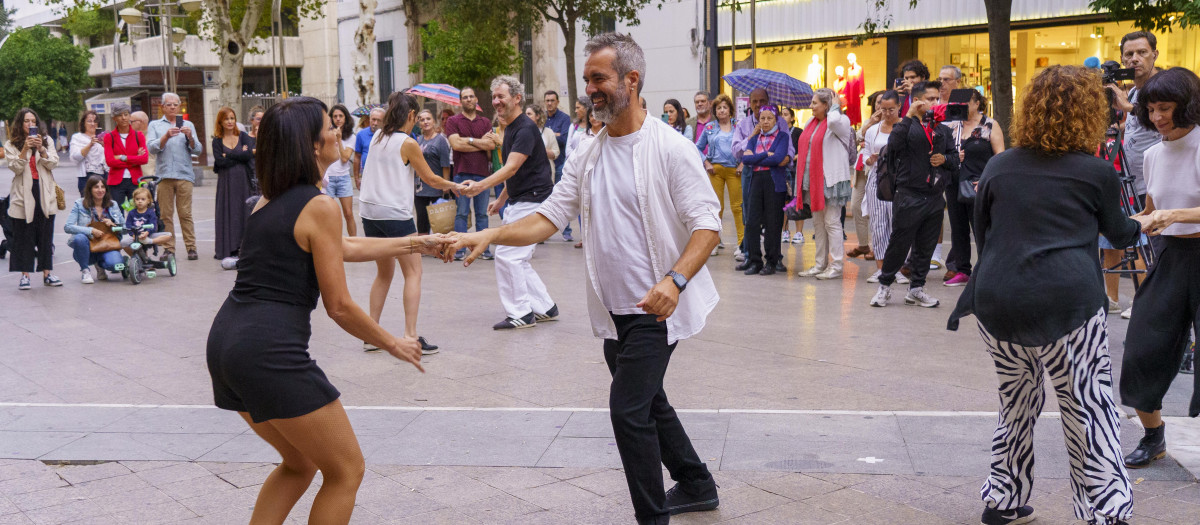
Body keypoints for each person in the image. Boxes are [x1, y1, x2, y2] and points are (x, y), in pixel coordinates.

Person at [447, 33, 720, 525]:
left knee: (628, 411)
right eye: (587, 80)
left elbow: (708, 225)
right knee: (649, 400)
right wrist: (491, 234)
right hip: (613, 313)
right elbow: (550, 215)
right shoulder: (589, 152)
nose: (589, 90)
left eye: (599, 79)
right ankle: (697, 483)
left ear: (631, 81)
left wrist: (674, 281)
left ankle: (652, 518)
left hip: (655, 310)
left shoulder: (671, 149)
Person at [206, 96, 448, 525]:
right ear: (311, 145)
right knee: (346, 470)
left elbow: (342, 247)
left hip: (227, 345)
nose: (338, 131)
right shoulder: (318, 204)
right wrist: (393, 342)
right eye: (329, 128)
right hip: (269, 352)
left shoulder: (272, 199)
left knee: (299, 464)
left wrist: (416, 242)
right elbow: (338, 306)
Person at [947, 65, 1145, 525]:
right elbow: (1118, 235)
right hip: (1067, 301)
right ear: (1089, 112)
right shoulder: (1096, 172)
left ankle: (1003, 499)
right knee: (1087, 405)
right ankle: (1104, 511)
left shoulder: (999, 164)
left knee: (1015, 399)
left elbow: (984, 232)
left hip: (998, 298)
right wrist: (1145, 223)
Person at [1119, 67, 1200, 472]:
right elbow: (1151, 213)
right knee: (1142, 347)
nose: (1157, 118)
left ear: (1187, 106)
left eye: (1165, 108)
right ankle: (1153, 437)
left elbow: (1169, 212)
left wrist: (1174, 214)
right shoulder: (1152, 154)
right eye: (1150, 110)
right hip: (1171, 256)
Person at [360, 92, 465, 355]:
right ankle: (410, 336)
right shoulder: (407, 142)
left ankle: (371, 334)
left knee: (384, 273)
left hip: (370, 213)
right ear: (410, 115)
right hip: (395, 214)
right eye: (416, 117)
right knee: (414, 273)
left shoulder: (376, 136)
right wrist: (454, 185)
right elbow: (430, 178)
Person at [457, 75, 559, 330]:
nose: (496, 101)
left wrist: (480, 186)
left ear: (516, 98)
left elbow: (512, 167)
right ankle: (545, 307)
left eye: (501, 96)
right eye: (494, 97)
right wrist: (502, 199)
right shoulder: (510, 127)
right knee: (517, 256)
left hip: (533, 200)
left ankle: (522, 314)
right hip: (521, 199)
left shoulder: (524, 128)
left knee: (507, 255)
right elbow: (517, 170)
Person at [870, 80, 957, 307]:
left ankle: (916, 288)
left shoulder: (942, 129)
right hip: (909, 195)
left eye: (937, 98)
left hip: (935, 197)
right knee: (899, 244)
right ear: (917, 100)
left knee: (926, 247)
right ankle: (884, 286)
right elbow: (894, 145)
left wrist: (945, 159)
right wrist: (908, 115)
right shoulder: (906, 126)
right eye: (930, 98)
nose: (935, 102)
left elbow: (955, 159)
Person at [1107, 31, 1164, 320]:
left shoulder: (1165, 86)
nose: (1135, 59)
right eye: (1129, 54)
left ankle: (1159, 313)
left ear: (1155, 53)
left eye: (1141, 52)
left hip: (1160, 184)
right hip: (1134, 181)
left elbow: (1169, 121)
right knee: (1144, 248)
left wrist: (1129, 108)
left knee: (1161, 250)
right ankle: (1148, 306)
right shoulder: (1132, 91)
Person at [943, 90, 1004, 287]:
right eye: (957, 103)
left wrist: (988, 180)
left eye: (966, 103)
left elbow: (999, 157)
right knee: (958, 228)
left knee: (982, 228)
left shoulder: (990, 125)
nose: (961, 106)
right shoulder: (950, 125)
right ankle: (962, 270)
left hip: (980, 184)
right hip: (954, 183)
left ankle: (987, 269)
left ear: (977, 103)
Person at [795, 88, 854, 280]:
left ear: (826, 105)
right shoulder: (810, 123)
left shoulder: (841, 122)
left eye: (814, 103)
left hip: (831, 180)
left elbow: (834, 120)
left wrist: (836, 107)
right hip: (812, 180)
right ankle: (820, 264)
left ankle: (836, 265)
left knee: (832, 223)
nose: (811, 107)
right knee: (819, 224)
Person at [732, 88, 795, 264]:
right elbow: (738, 153)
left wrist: (787, 158)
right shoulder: (744, 124)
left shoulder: (780, 122)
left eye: (762, 101)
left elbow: (786, 148)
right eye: (755, 101)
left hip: (775, 174)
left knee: (773, 218)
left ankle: (775, 258)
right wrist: (752, 137)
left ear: (768, 101)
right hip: (750, 175)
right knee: (750, 216)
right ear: (749, 103)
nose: (759, 105)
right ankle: (750, 256)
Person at [6, 108, 63, 289]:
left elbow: (54, 163)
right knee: (24, 236)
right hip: (23, 194)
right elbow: (15, 167)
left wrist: (41, 149)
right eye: (26, 121)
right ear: (20, 124)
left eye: (33, 121)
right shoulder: (11, 144)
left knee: (45, 235)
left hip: (44, 192)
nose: (30, 125)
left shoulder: (47, 141)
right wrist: (24, 149)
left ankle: (47, 273)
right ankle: (25, 276)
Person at [860, 91, 909, 285]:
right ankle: (881, 268)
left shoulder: (906, 127)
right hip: (878, 179)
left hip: (901, 180)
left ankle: (897, 268)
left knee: (899, 224)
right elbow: (865, 153)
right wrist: (869, 159)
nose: (887, 113)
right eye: (883, 109)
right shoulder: (873, 130)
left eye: (891, 109)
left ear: (899, 108)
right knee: (879, 225)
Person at [147, 92, 203, 260]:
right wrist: (165, 136)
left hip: (184, 174)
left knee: (185, 213)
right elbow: (151, 148)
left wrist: (190, 138)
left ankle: (191, 248)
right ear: (162, 107)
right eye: (168, 104)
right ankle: (169, 249)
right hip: (164, 175)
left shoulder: (188, 124)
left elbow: (198, 150)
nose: (172, 107)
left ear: (180, 106)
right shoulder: (155, 125)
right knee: (165, 214)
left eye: (175, 104)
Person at [445, 87, 498, 261]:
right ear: (460, 101)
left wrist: (466, 139)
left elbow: (491, 146)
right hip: (461, 174)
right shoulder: (453, 121)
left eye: (471, 96)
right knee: (461, 213)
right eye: (464, 97)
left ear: (476, 99)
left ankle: (483, 249)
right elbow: (456, 145)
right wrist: (478, 142)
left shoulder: (485, 122)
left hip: (482, 175)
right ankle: (459, 249)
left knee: (482, 213)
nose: (468, 99)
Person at [696, 94, 742, 256]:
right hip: (715, 171)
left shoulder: (739, 126)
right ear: (715, 111)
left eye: (725, 107)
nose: (722, 110)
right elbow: (697, 148)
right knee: (716, 208)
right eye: (719, 108)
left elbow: (748, 144)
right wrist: (706, 163)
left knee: (738, 207)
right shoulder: (710, 127)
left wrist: (743, 163)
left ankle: (742, 244)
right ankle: (713, 243)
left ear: (730, 110)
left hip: (735, 171)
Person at [211, 106, 256, 261]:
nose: (230, 121)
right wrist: (240, 154)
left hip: (243, 180)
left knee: (243, 211)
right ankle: (228, 247)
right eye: (226, 119)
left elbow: (249, 155)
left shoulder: (243, 136)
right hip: (226, 182)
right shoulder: (217, 141)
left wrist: (229, 154)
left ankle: (243, 247)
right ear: (221, 122)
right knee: (228, 211)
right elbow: (220, 161)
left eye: (232, 118)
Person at [63, 176, 126, 284]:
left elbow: (124, 229)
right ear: (90, 189)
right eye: (96, 187)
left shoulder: (113, 204)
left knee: (116, 266)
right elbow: (68, 227)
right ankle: (85, 271)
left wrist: (113, 225)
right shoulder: (80, 204)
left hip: (107, 244)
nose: (100, 190)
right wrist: (90, 230)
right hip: (88, 245)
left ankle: (100, 264)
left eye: (103, 187)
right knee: (79, 238)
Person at [413, 109, 451, 235]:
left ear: (434, 121)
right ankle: (424, 247)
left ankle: (440, 247)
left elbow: (445, 165)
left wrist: (446, 186)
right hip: (420, 187)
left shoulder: (441, 140)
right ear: (419, 123)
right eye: (422, 120)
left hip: (436, 186)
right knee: (422, 219)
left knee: (439, 220)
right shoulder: (418, 140)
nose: (425, 122)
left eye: (428, 119)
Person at [103, 104, 149, 208]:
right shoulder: (109, 137)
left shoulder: (139, 136)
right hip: (116, 182)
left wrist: (123, 157)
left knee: (137, 212)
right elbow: (110, 161)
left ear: (130, 116)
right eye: (120, 115)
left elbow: (144, 159)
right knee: (117, 213)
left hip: (135, 181)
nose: (123, 118)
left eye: (126, 114)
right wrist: (135, 160)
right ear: (114, 118)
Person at [544, 90, 573, 241]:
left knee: (561, 197)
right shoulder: (541, 118)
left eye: (552, 100)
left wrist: (550, 135)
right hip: (544, 166)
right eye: (547, 100)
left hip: (559, 163)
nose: (549, 103)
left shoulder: (564, 118)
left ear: (557, 102)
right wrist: (554, 135)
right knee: (544, 197)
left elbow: (563, 140)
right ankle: (543, 231)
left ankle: (566, 230)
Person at [324, 104, 358, 237]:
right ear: (331, 119)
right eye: (335, 116)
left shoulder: (351, 137)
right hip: (328, 177)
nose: (338, 119)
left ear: (346, 118)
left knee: (348, 213)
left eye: (341, 116)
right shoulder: (326, 134)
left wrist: (338, 138)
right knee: (328, 214)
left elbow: (345, 158)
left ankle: (355, 242)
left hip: (343, 177)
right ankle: (330, 241)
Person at [780, 106, 805, 245]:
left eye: (786, 114)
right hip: (782, 171)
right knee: (784, 201)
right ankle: (785, 230)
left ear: (792, 117)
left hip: (795, 170)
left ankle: (799, 232)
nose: (783, 117)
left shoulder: (798, 132)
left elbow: (804, 150)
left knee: (796, 200)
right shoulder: (778, 133)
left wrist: (792, 158)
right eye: (781, 114)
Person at [68, 110, 107, 196]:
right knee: (87, 205)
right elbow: (75, 157)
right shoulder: (77, 137)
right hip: (86, 176)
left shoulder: (104, 137)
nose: (93, 124)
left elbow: (111, 157)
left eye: (95, 121)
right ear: (83, 123)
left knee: (103, 205)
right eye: (89, 121)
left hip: (103, 174)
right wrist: (90, 144)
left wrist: (105, 145)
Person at [121, 187, 172, 251]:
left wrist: (147, 232)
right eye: (137, 199)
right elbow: (128, 225)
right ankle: (135, 257)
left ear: (148, 201)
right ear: (134, 200)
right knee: (122, 243)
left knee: (168, 235)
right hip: (135, 236)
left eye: (143, 199)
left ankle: (149, 241)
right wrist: (133, 234)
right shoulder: (131, 213)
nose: (140, 201)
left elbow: (153, 225)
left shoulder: (150, 212)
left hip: (148, 236)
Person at [353, 107, 385, 190]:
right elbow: (357, 157)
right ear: (369, 119)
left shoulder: (388, 135)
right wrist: (357, 178)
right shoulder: (361, 135)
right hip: (367, 175)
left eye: (379, 120)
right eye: (373, 119)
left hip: (384, 177)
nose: (375, 123)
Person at [129, 112, 155, 177]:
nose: (129, 124)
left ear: (140, 122)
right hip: (133, 180)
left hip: (151, 179)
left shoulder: (153, 137)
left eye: (131, 121)